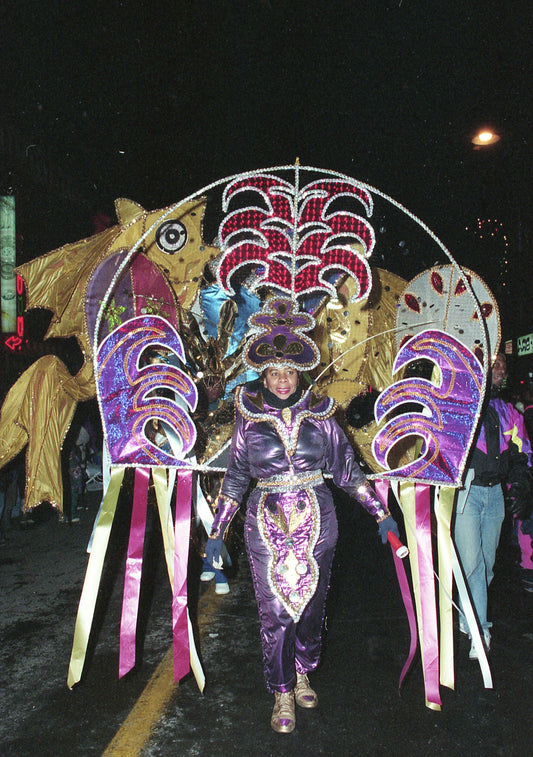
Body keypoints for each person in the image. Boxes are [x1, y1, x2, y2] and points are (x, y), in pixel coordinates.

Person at [204, 297, 399, 734]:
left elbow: (348, 472)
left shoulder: (323, 415)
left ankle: (303, 668)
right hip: (265, 524)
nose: (282, 380)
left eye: (289, 371)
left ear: (300, 371)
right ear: (264, 375)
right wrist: (217, 531)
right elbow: (235, 478)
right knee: (275, 611)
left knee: (311, 607)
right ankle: (280, 690)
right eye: (274, 372)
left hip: (319, 522)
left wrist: (379, 513)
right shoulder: (248, 419)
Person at [454, 353, 532, 658]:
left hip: (495, 495)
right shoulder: (462, 406)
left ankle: (466, 614)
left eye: (503, 365)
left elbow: (521, 453)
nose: (501, 369)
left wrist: (521, 485)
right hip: (467, 493)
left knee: (485, 568)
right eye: (495, 364)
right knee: (473, 566)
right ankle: (480, 630)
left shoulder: (509, 412)